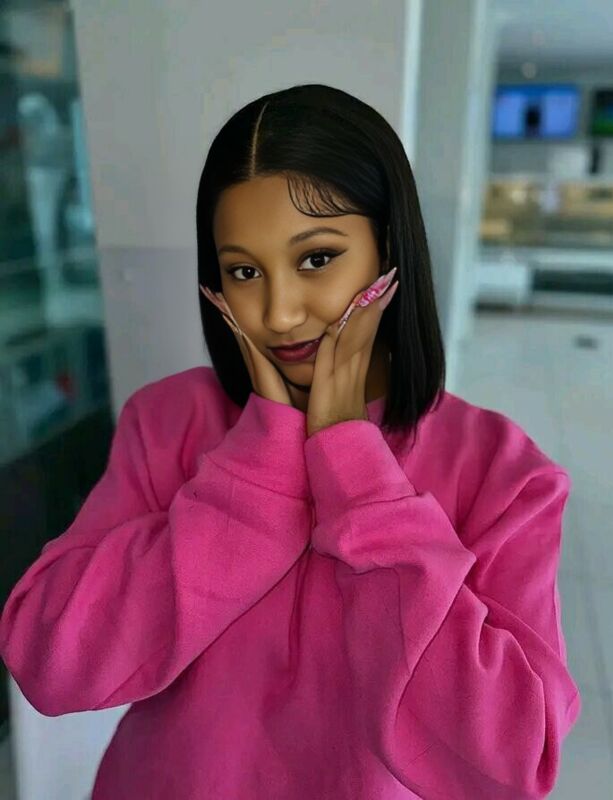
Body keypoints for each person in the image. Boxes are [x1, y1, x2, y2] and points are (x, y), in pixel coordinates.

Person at [0, 84, 581, 799]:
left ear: (389, 249)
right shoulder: (168, 420)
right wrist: (255, 476)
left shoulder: (503, 473)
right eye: (244, 271)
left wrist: (356, 473)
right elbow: (49, 664)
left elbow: (511, 761)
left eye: (316, 259)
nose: (278, 313)